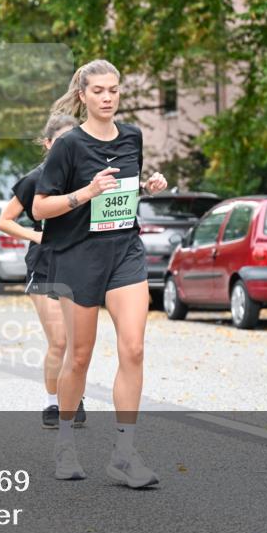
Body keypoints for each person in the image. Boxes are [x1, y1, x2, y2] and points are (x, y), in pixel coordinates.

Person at [32, 59, 168, 487]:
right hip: (79, 256)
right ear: (83, 96)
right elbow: (40, 208)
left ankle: (125, 454)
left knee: (134, 349)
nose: (108, 97)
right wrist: (86, 192)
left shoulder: (132, 136)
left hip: (125, 250)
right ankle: (66, 443)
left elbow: (125, 187)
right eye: (99, 91)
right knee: (79, 356)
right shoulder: (68, 145)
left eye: (114, 90)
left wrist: (148, 186)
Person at [0, 113, 88, 429]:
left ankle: (73, 393)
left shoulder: (87, 178)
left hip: (79, 262)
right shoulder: (36, 178)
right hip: (46, 265)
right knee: (59, 341)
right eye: (60, 142)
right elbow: (4, 220)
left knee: (77, 342)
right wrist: (37, 235)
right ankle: (52, 402)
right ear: (48, 144)